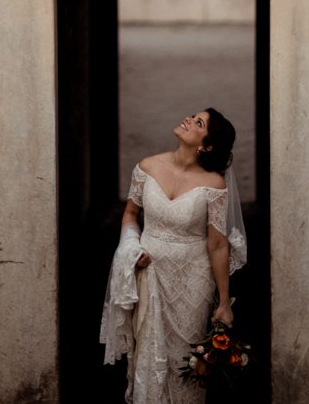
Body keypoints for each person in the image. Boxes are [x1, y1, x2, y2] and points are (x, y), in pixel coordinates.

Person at [100, 108, 247, 404]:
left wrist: (223, 303)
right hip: (149, 272)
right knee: (147, 354)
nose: (189, 120)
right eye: (193, 116)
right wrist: (132, 247)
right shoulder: (147, 167)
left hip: (193, 280)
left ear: (206, 145)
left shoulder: (214, 184)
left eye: (198, 122)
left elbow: (218, 245)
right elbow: (130, 214)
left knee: (185, 361)